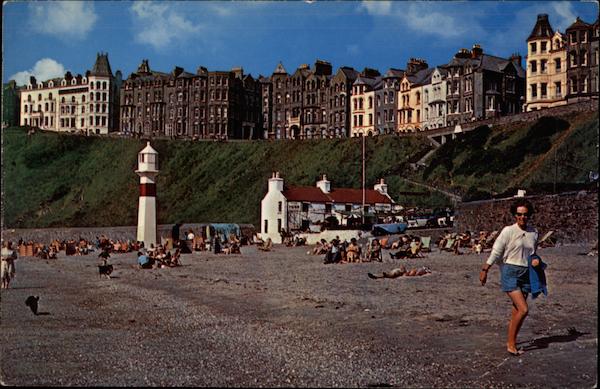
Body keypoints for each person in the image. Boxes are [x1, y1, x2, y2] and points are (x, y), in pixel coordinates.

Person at [479, 198, 539, 356]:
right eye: (519, 214)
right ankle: (511, 344)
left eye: (525, 214)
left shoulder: (534, 232)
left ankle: (511, 341)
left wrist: (535, 262)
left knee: (516, 310)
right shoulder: (508, 231)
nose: (522, 217)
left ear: (529, 215)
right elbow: (496, 251)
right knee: (523, 309)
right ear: (514, 215)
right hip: (510, 271)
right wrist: (485, 269)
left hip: (526, 272)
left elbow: (533, 253)